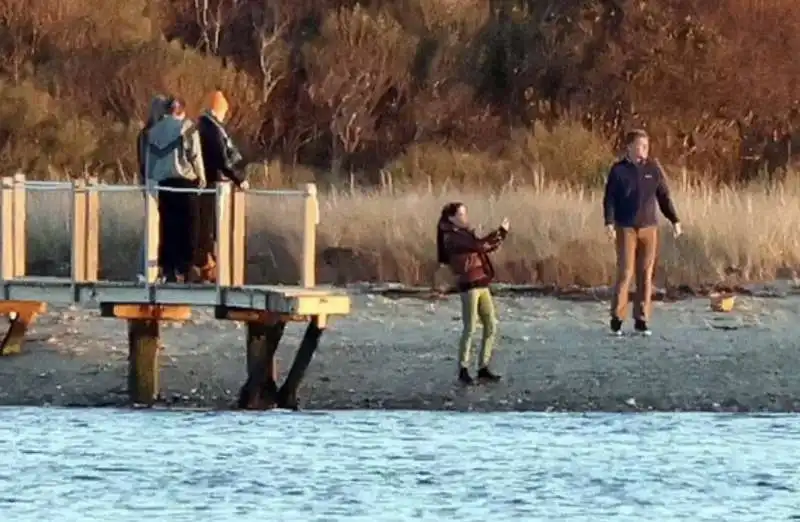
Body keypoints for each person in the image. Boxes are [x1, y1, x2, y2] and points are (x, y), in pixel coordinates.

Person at [603, 129, 682, 336]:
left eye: (646, 146)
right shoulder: (618, 170)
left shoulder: (653, 169)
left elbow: (664, 197)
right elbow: (609, 198)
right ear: (629, 147)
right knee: (625, 272)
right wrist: (609, 223)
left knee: (645, 274)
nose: (644, 150)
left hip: (649, 227)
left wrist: (674, 220)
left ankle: (641, 319)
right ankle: (617, 318)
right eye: (640, 145)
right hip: (625, 227)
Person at [437, 202, 509, 385]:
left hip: (481, 282)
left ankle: (483, 367)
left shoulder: (463, 235)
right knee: (470, 327)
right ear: (451, 218)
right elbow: (480, 246)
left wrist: (501, 234)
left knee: (491, 324)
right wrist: (500, 232)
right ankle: (463, 368)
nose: (465, 218)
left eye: (465, 214)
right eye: (461, 215)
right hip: (468, 284)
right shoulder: (451, 237)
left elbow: (485, 246)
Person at [146, 97, 206, 283]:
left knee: (168, 226)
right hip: (184, 182)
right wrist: (201, 176)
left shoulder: (154, 131)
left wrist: (150, 179)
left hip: (163, 183)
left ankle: (168, 269)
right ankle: (186, 267)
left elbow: (149, 159)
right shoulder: (186, 127)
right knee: (189, 225)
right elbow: (194, 154)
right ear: (181, 111)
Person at [192, 90, 249, 283]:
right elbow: (222, 159)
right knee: (211, 228)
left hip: (206, 183)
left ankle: (207, 267)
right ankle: (211, 267)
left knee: (206, 228)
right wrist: (238, 178)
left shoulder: (201, 126)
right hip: (213, 184)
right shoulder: (212, 129)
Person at [135, 94, 168, 282]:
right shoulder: (148, 133)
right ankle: (146, 270)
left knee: (159, 226)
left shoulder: (148, 132)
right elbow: (144, 160)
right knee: (153, 225)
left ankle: (156, 269)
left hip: (155, 182)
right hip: (152, 182)